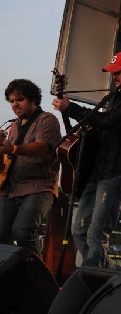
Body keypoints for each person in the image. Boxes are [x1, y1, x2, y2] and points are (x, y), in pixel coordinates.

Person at [52, 51, 121, 268]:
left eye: (118, 71)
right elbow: (100, 126)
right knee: (79, 230)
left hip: (117, 171)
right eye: (113, 72)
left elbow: (112, 121)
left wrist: (72, 108)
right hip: (97, 171)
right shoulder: (115, 96)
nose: (114, 75)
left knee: (96, 234)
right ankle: (105, 274)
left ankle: (96, 279)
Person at [0, 79, 61, 255]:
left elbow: (42, 147)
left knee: (22, 231)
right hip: (11, 189)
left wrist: (12, 148)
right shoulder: (14, 126)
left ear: (33, 99)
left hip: (39, 188)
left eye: (19, 99)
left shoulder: (47, 120)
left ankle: (38, 279)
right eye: (11, 101)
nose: (15, 104)